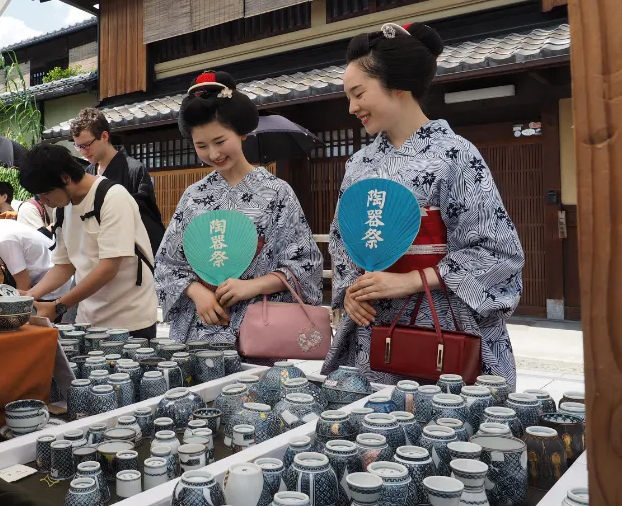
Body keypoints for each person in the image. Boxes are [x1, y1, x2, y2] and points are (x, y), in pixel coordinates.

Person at [322, 22, 525, 389]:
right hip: (373, 330)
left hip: (443, 325)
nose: (352, 107)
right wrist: (352, 294)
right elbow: (343, 242)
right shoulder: (359, 165)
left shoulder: (455, 155)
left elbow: (497, 251)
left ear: (398, 86)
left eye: (358, 93)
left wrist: (409, 280)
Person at [153, 71, 324, 345]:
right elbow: (166, 265)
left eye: (220, 141)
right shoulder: (194, 196)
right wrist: (198, 293)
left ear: (242, 133)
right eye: (202, 146)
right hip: (201, 329)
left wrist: (252, 286)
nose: (213, 154)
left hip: (261, 327)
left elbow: (306, 264)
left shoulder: (276, 192)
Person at [17, 143, 159, 338]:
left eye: (46, 193)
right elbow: (64, 265)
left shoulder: (113, 197)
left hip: (130, 321)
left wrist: (59, 306)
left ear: (65, 178)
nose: (43, 201)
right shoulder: (62, 208)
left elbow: (108, 267)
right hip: (88, 320)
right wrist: (31, 295)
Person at [71, 107, 166, 255]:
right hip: (97, 251)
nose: (83, 151)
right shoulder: (87, 174)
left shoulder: (134, 169)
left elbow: (147, 218)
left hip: (130, 252)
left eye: (87, 145)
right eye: (78, 146)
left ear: (104, 136)